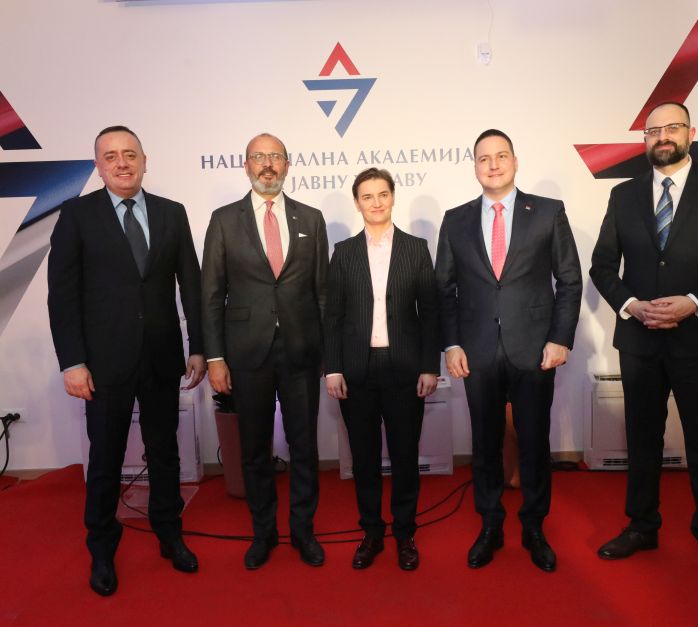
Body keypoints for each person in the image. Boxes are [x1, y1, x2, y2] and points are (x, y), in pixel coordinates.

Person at [590, 102, 698, 590]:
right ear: (644, 139)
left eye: (672, 127)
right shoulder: (623, 195)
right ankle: (642, 526)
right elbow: (602, 265)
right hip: (640, 339)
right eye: (653, 130)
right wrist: (630, 305)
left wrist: (694, 302)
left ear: (690, 133)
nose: (662, 136)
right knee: (641, 438)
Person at [47, 126, 206, 596]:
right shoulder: (76, 215)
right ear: (98, 166)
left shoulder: (172, 213)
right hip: (103, 364)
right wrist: (72, 362)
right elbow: (62, 296)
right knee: (105, 459)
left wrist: (198, 346)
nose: (122, 163)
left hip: (160, 358)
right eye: (111, 156)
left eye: (130, 154)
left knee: (165, 454)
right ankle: (101, 548)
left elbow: (191, 284)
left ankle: (169, 534)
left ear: (144, 160)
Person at [435, 129, 582, 571]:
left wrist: (560, 338)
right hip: (476, 350)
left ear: (515, 162)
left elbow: (569, 279)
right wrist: (451, 343)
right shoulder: (455, 220)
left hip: (535, 349)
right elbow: (444, 289)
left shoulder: (548, 212)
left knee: (534, 442)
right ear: (475, 167)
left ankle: (534, 527)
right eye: (484, 158)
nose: (493, 164)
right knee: (484, 444)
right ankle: (490, 525)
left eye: (501, 156)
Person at [201, 133, 328, 569]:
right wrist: (215, 357)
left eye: (275, 156)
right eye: (259, 157)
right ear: (246, 166)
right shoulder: (223, 220)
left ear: (287, 165)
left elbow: (322, 293)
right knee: (254, 449)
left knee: (304, 446)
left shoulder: (311, 218)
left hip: (301, 351)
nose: (268, 164)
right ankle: (264, 533)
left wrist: (327, 355)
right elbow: (211, 295)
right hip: (246, 353)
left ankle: (303, 531)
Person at [324, 168, 439, 571]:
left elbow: (430, 313)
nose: (376, 202)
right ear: (357, 203)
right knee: (365, 458)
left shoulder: (416, 249)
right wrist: (333, 368)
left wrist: (429, 366)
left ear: (393, 197)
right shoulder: (344, 252)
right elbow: (332, 316)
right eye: (367, 196)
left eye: (382, 194)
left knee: (405, 457)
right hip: (357, 370)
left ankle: (405, 534)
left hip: (405, 368)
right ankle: (371, 532)